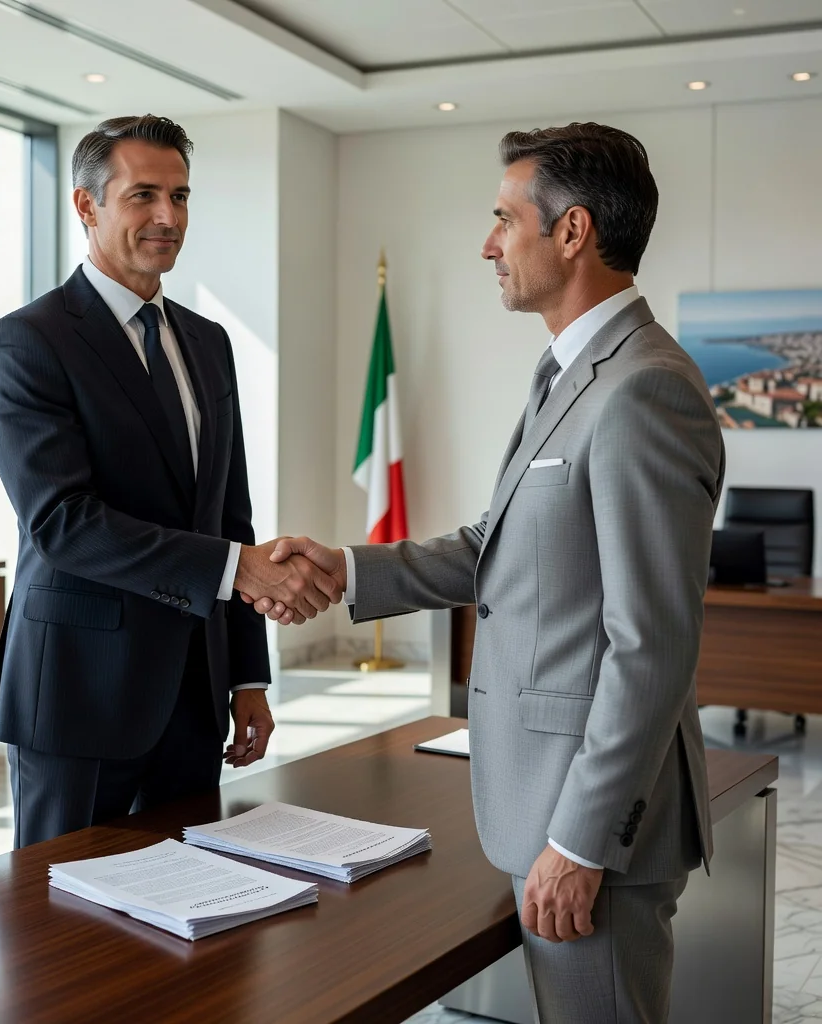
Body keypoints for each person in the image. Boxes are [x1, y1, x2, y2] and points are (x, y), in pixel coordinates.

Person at [250, 123, 725, 1023]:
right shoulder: (569, 375)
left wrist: (582, 843)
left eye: (505, 219)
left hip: (589, 826)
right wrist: (346, 567)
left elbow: (650, 644)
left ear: (573, 232)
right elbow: (493, 546)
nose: (488, 243)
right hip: (541, 800)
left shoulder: (641, 389)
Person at [0, 115, 340, 849]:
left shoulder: (208, 344)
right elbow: (63, 523)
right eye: (143, 195)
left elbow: (229, 517)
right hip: (78, 696)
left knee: (192, 926)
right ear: (87, 206)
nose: (167, 217)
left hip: (193, 697)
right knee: (63, 932)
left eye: (180, 196)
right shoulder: (28, 341)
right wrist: (239, 569)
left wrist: (247, 677)